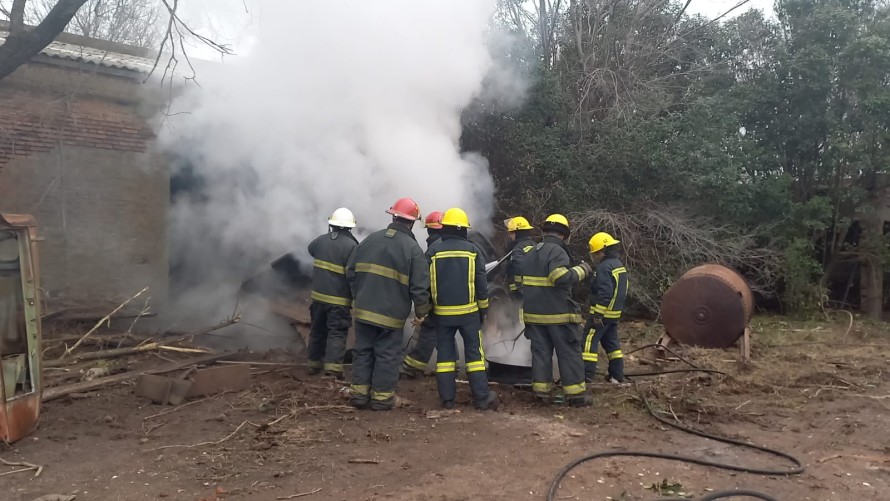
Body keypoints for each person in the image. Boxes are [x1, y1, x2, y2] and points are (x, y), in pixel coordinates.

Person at [346, 198, 431, 411]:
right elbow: (420, 288)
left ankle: (359, 395)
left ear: (393, 216)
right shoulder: (413, 249)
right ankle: (382, 399)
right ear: (411, 223)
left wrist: (359, 295)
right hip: (390, 316)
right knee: (386, 354)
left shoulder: (369, 240)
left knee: (363, 351)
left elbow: (350, 271)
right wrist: (422, 313)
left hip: (364, 311)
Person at [427, 207, 498, 410]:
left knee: (445, 358)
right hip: (469, 315)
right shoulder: (473, 251)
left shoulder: (433, 252)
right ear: (463, 229)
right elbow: (482, 285)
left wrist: (428, 310)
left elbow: (426, 284)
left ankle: (447, 400)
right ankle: (482, 398)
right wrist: (483, 310)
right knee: (475, 357)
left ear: (444, 228)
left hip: (442, 315)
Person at [520, 214, 593, 407]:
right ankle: (576, 396)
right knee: (568, 353)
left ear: (544, 232)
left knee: (541, 354)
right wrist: (582, 270)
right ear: (564, 235)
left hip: (534, 316)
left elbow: (520, 283)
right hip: (558, 316)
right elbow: (559, 277)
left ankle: (541, 394)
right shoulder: (558, 251)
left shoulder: (531, 252)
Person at [306, 207, 359, 380]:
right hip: (339, 301)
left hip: (318, 297)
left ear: (331, 224)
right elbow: (352, 274)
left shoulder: (320, 240)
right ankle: (333, 369)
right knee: (336, 332)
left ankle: (313, 364)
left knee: (317, 330)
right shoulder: (352, 246)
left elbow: (310, 249)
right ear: (350, 227)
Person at [400, 211, 444, 378]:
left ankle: (412, 367)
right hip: (451, 302)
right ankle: (453, 365)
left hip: (435, 301)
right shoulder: (449, 245)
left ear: (429, 230)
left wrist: (423, 308)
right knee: (445, 332)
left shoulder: (433, 249)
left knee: (427, 332)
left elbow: (424, 280)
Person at [582, 232, 629, 383]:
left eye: (595, 253)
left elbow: (605, 293)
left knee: (588, 341)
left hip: (602, 314)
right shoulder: (618, 265)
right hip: (614, 314)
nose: (594, 256)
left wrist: (598, 315)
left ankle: (585, 375)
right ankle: (616, 375)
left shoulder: (603, 267)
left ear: (602, 251)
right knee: (612, 345)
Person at [504, 216, 536, 303]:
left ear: (517, 233)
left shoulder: (516, 248)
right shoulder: (535, 245)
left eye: (511, 233)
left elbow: (519, 268)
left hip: (520, 293)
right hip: (535, 291)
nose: (510, 236)